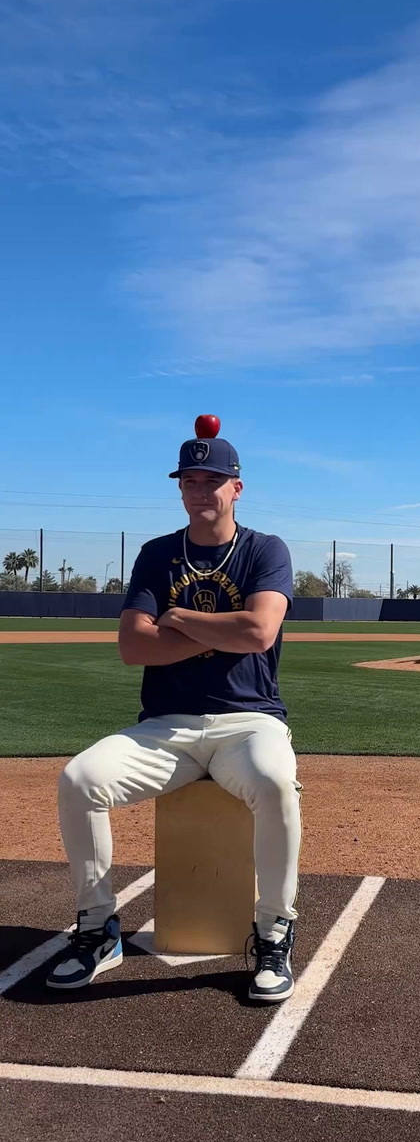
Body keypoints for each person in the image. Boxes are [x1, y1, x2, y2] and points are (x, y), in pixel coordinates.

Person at [46, 423, 301, 1004]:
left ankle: (273, 931)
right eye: (190, 479)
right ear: (180, 487)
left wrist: (177, 619)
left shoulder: (266, 549)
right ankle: (97, 927)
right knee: (79, 780)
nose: (200, 489)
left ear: (238, 488)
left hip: (250, 719)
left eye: (214, 480)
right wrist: (218, 633)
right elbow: (134, 647)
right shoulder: (158, 554)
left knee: (275, 783)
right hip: (166, 728)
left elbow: (259, 631)